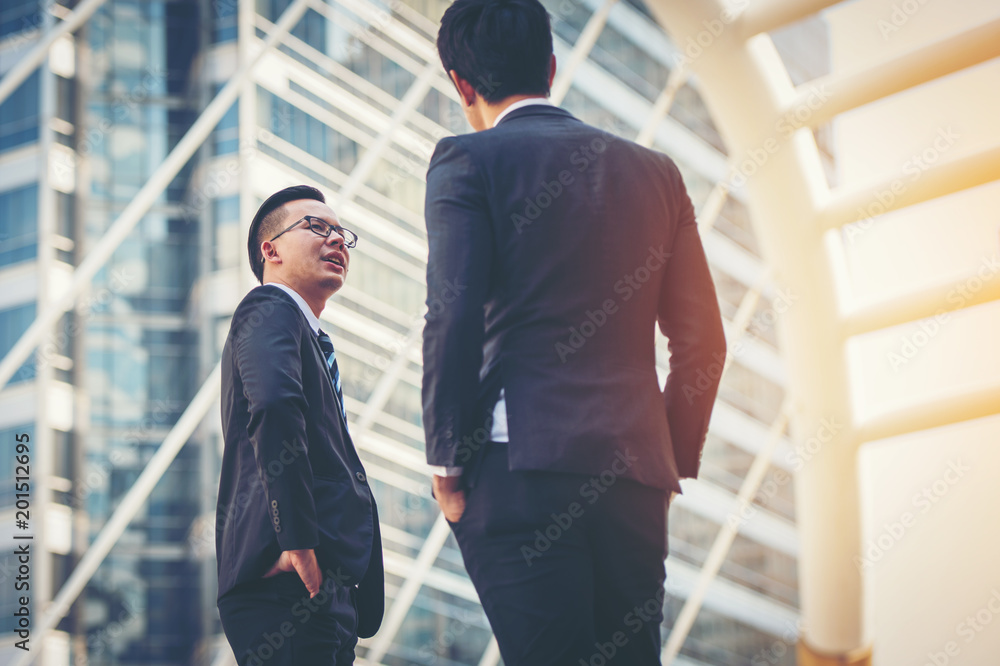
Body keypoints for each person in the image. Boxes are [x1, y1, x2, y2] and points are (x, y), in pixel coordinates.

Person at [421, 0, 727, 663]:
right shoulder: (656, 174)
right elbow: (703, 343)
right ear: (552, 67)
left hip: (517, 463)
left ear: (460, 83)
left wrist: (446, 460)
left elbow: (453, 312)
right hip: (633, 478)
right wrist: (666, 459)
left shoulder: (466, 160)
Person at [216, 185, 383, 665]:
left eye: (341, 234)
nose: (336, 240)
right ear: (270, 251)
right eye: (316, 226)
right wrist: (298, 542)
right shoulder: (269, 306)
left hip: (319, 590)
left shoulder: (308, 337)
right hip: (288, 583)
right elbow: (275, 405)